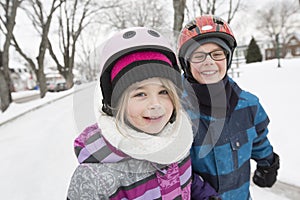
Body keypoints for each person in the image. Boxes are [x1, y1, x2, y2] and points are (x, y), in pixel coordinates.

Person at [67, 27, 220, 199]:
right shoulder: (94, 179)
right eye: (140, 94)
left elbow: (185, 180)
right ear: (115, 104)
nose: (155, 105)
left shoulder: (177, 143)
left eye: (164, 92)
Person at [177, 15, 280, 199]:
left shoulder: (248, 105)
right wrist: (199, 192)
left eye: (217, 54)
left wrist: (268, 163)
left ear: (228, 58)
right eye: (199, 56)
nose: (209, 62)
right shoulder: (175, 112)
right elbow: (171, 168)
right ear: (187, 63)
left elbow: (258, 139)